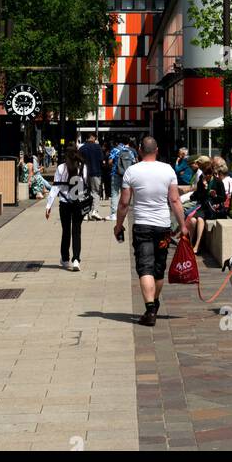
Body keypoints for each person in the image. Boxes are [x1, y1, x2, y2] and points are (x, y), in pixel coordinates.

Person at [114, 135, 188, 327]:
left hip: (142, 226)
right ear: (157, 151)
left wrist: (118, 224)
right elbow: (174, 200)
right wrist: (183, 225)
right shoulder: (167, 170)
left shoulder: (131, 171)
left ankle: (150, 309)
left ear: (139, 150)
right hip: (163, 226)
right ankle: (153, 304)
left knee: (144, 267)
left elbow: (124, 203)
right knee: (158, 269)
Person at [45, 144, 92, 270]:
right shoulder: (83, 166)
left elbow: (56, 187)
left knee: (66, 231)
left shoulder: (61, 168)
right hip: (78, 202)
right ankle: (76, 259)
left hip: (64, 203)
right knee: (77, 231)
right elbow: (85, 183)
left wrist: (48, 205)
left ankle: (65, 259)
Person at [110, 135, 138, 216]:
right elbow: (135, 162)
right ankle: (124, 212)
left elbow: (110, 161)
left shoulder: (115, 150)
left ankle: (114, 213)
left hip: (115, 174)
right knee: (125, 193)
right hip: (127, 175)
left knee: (115, 193)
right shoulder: (130, 151)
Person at [78, 133, 106, 210]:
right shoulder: (97, 147)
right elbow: (101, 160)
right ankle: (94, 211)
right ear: (92, 138)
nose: (95, 140)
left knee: (85, 192)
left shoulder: (82, 148)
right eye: (95, 138)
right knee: (95, 192)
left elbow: (78, 161)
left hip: (84, 173)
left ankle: (86, 212)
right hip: (96, 172)